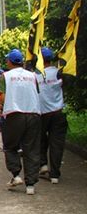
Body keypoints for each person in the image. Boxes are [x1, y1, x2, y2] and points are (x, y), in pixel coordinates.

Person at [0, 49, 41, 195]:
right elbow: (36, 92)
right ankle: (31, 184)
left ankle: (16, 175)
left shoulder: (5, 76)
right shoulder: (33, 76)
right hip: (33, 114)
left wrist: (0, 108)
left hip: (14, 114)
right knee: (32, 148)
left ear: (10, 61)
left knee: (10, 146)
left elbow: (2, 97)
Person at [38, 47, 68, 184]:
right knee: (57, 144)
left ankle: (43, 165)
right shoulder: (59, 74)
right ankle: (55, 175)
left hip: (42, 113)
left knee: (40, 139)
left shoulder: (36, 76)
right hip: (58, 112)